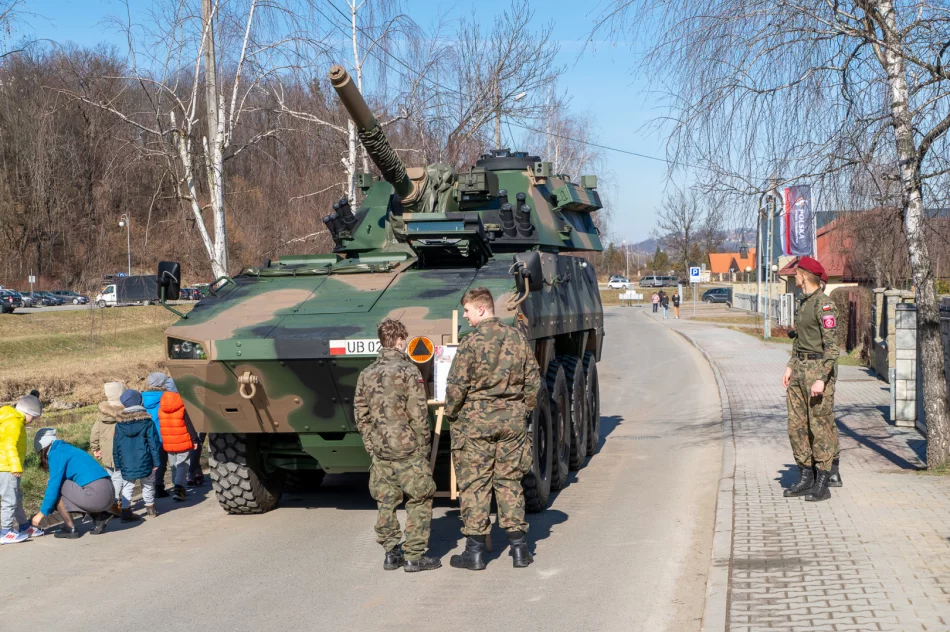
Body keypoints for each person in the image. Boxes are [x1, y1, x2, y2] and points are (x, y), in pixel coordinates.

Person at [445, 287, 541, 571]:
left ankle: (474, 553)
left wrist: (453, 414)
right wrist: (522, 410)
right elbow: (533, 382)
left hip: (476, 424)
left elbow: (456, 387)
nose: (465, 317)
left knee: (475, 484)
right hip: (512, 422)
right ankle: (520, 550)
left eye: (468, 311)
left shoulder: (470, 342)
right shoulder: (517, 338)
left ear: (482, 309)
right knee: (509, 482)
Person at [353, 318, 440, 573]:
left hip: (381, 450)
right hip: (408, 450)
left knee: (386, 500)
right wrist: (423, 445)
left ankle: (391, 553)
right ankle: (414, 556)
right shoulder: (409, 371)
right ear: (400, 341)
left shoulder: (366, 374)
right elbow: (419, 413)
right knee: (420, 498)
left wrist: (371, 442)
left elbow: (361, 413)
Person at [782, 256, 840, 502]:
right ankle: (805, 477)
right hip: (799, 368)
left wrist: (822, 378)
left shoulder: (823, 305)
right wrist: (789, 366)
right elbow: (799, 342)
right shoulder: (803, 303)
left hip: (817, 370)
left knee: (819, 425)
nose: (795, 276)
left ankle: (823, 482)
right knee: (796, 425)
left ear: (805, 275)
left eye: (797, 272)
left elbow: (832, 348)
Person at [31, 428, 115, 538]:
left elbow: (54, 486)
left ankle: (70, 527)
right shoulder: (68, 449)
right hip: (109, 491)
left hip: (96, 495)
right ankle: (99, 516)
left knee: (56, 485)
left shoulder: (55, 453)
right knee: (66, 485)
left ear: (43, 449)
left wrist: (41, 513)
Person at [0, 395, 45, 543]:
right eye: (34, 417)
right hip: (7, 467)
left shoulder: (12, 419)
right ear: (28, 413)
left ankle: (24, 525)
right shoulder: (14, 423)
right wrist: (15, 466)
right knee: (10, 499)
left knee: (17, 498)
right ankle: (5, 531)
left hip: (7, 466)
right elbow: (9, 446)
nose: (33, 421)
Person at [113, 389, 162, 520]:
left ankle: (125, 511)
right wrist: (156, 461)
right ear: (140, 402)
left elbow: (116, 445)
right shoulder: (147, 422)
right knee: (147, 484)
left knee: (128, 486)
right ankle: (151, 508)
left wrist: (117, 463)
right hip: (145, 458)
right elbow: (153, 443)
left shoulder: (119, 425)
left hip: (126, 461)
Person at [158, 378, 199, 502]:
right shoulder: (182, 404)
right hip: (182, 439)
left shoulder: (162, 404)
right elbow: (189, 424)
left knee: (174, 465)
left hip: (168, 441)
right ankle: (179, 488)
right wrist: (195, 439)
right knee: (183, 464)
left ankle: (177, 485)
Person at [89, 381, 125, 516]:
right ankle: (114, 503)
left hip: (105, 449)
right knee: (119, 476)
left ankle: (108, 501)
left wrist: (95, 447)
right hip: (121, 449)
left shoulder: (102, 413)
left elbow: (95, 431)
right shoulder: (126, 411)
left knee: (110, 476)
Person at [142, 372, 170, 498]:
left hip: (146, 436)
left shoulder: (141, 398)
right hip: (162, 435)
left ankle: (148, 488)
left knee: (149, 462)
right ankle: (158, 486)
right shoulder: (166, 397)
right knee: (161, 462)